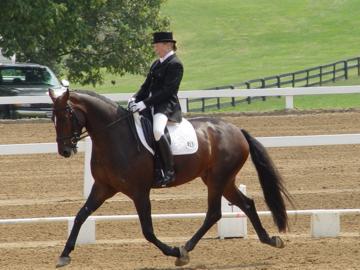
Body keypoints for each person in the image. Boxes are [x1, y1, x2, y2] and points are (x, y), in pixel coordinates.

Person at [129, 31, 184, 187]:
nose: (155, 49)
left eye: (157, 45)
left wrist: (144, 103)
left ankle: (169, 170)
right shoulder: (156, 63)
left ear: (167, 45)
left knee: (158, 131)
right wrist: (134, 98)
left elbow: (168, 91)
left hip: (166, 106)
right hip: (150, 104)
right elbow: (146, 86)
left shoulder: (175, 64)